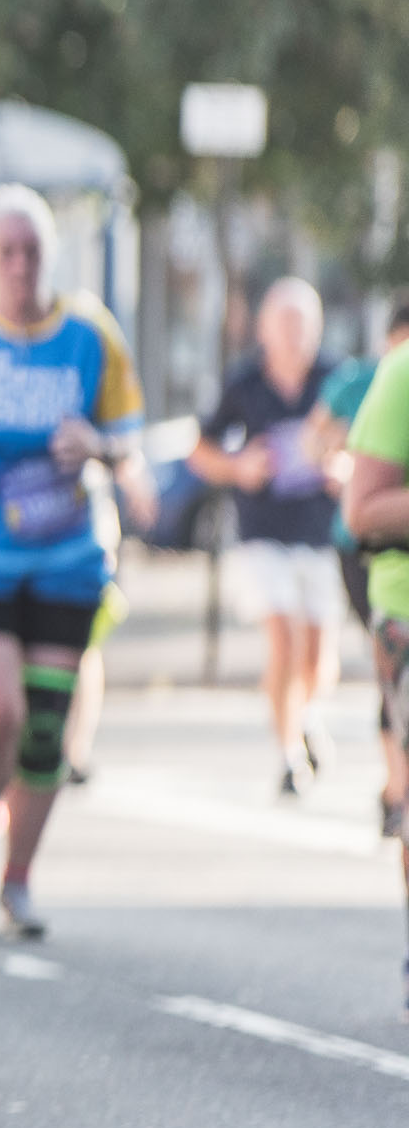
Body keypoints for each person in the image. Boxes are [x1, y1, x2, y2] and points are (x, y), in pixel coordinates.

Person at [0, 185, 145, 939]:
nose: (21, 267)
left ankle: (17, 881)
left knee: (46, 730)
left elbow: (129, 443)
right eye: (6, 253)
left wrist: (98, 447)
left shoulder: (90, 337)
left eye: (33, 253)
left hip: (66, 556)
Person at [188, 278, 338, 796]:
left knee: (317, 654)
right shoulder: (245, 382)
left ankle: (309, 714)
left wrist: (343, 467)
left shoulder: (334, 379)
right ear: (265, 330)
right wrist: (238, 467)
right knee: (284, 638)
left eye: (304, 324)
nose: (296, 335)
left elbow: (360, 444)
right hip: (263, 534)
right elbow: (200, 451)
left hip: (320, 533)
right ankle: (288, 753)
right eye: (286, 323)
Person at [312, 297, 409, 834]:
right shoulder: (390, 375)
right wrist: (329, 455)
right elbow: (362, 508)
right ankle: (397, 790)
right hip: (392, 582)